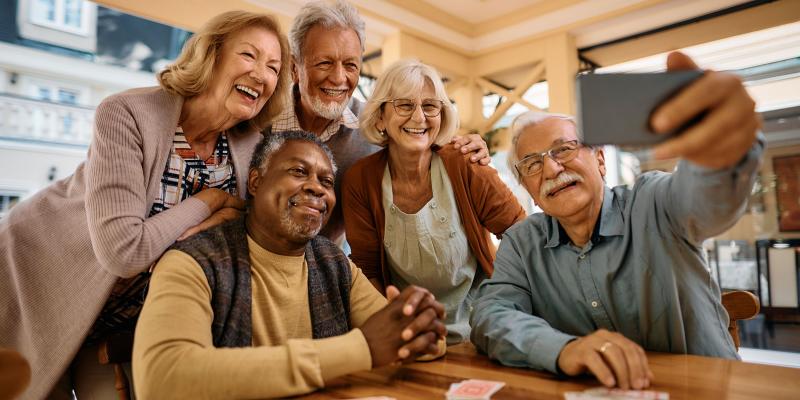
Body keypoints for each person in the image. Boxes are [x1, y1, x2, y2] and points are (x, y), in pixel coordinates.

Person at [0, 11, 291, 398]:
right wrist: (211, 200)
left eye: (273, 67)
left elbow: (243, 235)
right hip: (42, 280)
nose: (262, 75)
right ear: (211, 55)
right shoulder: (127, 113)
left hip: (122, 320)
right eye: (249, 56)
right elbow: (124, 250)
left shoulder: (247, 148)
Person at [470, 52, 762, 390]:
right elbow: (490, 316)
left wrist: (722, 154)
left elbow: (707, 201)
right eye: (532, 165)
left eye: (563, 149)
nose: (551, 169)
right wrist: (563, 349)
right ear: (531, 193)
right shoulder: (522, 243)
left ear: (600, 160)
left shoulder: (654, 202)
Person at [132, 131, 446, 398]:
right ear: (255, 182)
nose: (317, 188)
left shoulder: (333, 261)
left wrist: (422, 327)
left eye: (326, 180)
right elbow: (163, 380)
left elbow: (400, 339)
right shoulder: (192, 262)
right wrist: (360, 349)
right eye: (298, 172)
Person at [267, 0, 491, 242]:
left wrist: (466, 148)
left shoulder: (376, 123)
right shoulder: (259, 120)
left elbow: (422, 143)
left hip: (327, 264)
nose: (339, 78)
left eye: (350, 65)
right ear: (293, 68)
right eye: (325, 63)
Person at [342, 59, 526, 345]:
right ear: (380, 117)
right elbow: (368, 271)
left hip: (483, 328)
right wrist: (395, 330)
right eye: (404, 105)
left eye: (430, 106)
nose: (419, 118)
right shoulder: (360, 180)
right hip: (410, 332)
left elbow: (520, 234)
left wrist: (501, 302)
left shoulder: (464, 161)